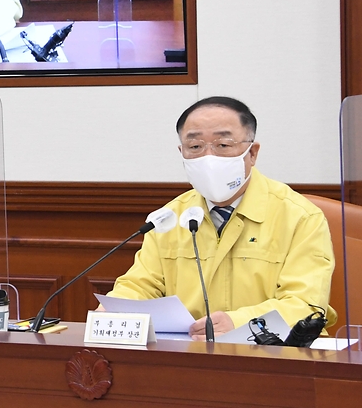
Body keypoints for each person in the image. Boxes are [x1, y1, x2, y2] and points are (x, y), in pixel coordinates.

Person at [106, 96, 336, 339]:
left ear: (252, 153)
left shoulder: (300, 217)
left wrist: (238, 323)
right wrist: (114, 309)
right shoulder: (169, 218)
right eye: (195, 147)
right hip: (191, 356)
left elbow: (306, 306)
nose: (208, 157)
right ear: (181, 152)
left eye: (223, 145)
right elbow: (139, 286)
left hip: (275, 356)